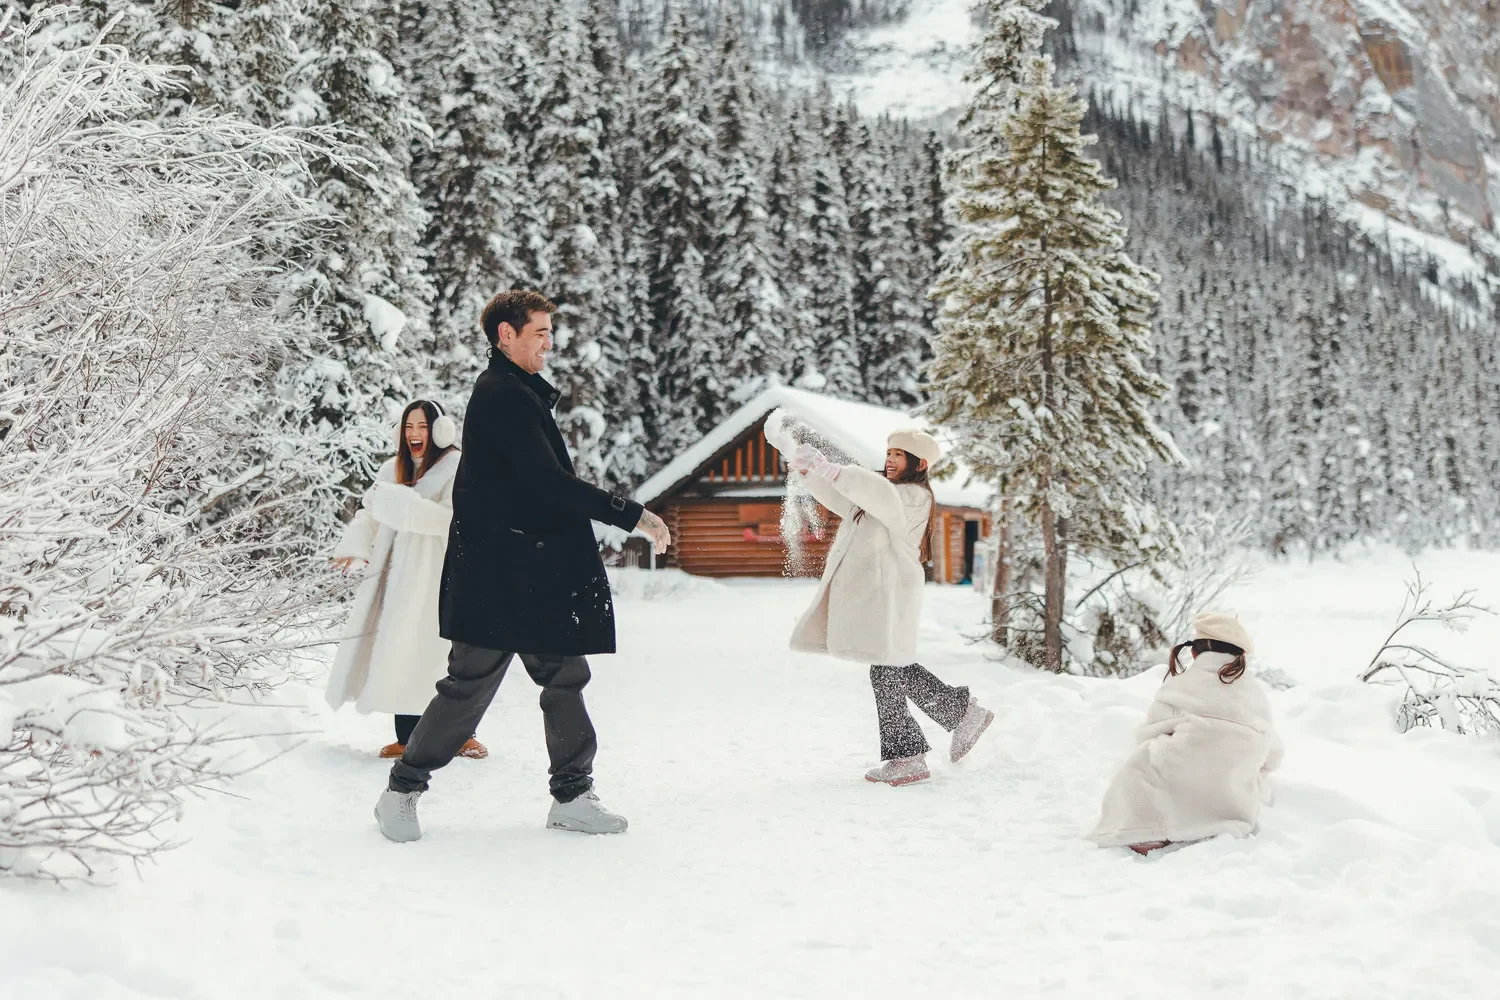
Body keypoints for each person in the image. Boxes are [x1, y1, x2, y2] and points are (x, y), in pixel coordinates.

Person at [374, 290, 671, 842]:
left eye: (550, 333)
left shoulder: (521, 394)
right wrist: (630, 514)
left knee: (565, 678)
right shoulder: (501, 395)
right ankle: (401, 791)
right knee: (468, 687)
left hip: (534, 572)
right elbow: (547, 482)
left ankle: (572, 797)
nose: (549, 344)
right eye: (540, 333)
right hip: (495, 576)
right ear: (505, 336)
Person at [786, 430, 995, 787]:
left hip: (893, 591)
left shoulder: (913, 496)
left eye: (899, 454)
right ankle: (958, 715)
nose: (890, 460)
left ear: (920, 463)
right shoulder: (881, 495)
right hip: (880, 594)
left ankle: (913, 753)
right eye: (889, 453)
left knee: (887, 668)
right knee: (891, 665)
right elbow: (845, 498)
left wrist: (834, 470)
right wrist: (812, 473)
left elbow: (876, 493)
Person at [328, 400, 486, 761]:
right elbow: (370, 512)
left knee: (439, 655)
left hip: (439, 574)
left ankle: (462, 734)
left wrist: (402, 505)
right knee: (401, 650)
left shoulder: (456, 467)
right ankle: (407, 737)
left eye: (423, 426)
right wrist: (355, 544)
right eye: (409, 426)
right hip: (394, 578)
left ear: (440, 430)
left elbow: (454, 519)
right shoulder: (392, 469)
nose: (415, 434)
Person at [1088, 613, 1283, 855]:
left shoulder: (1183, 682)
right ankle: (1215, 820)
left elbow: (1151, 730)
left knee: (1139, 766)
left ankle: (1146, 830)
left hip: (1185, 772)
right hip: (1233, 793)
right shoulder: (1254, 692)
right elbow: (1273, 752)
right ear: (1240, 654)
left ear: (1194, 652)